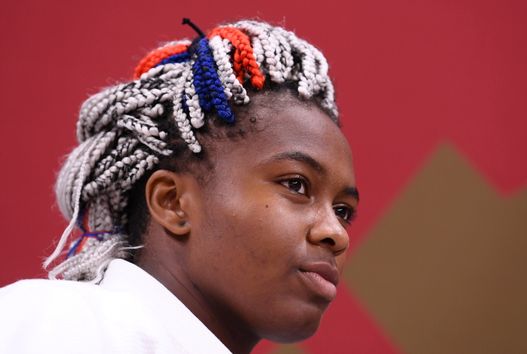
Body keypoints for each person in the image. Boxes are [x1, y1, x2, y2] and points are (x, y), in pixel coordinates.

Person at [0, 18, 359, 354]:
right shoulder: (60, 324)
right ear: (172, 202)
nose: (336, 234)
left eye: (343, 212)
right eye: (296, 185)